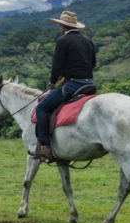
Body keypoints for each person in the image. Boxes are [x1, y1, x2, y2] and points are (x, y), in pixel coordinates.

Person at [32, 11, 96, 160]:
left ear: (62, 25)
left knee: (41, 107)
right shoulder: (88, 40)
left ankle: (45, 146)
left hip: (72, 84)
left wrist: (52, 83)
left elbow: (57, 66)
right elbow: (93, 63)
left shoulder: (63, 41)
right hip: (89, 83)